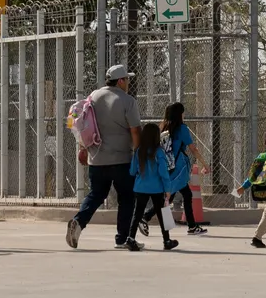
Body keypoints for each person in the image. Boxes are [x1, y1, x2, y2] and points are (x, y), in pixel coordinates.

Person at [66, 64, 142, 250]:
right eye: (127, 79)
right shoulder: (127, 100)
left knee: (96, 194)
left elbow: (82, 123)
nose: (128, 83)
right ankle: (122, 238)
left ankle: (78, 221)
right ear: (121, 81)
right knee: (126, 197)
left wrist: (82, 148)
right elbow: (135, 130)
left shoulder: (93, 96)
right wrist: (139, 154)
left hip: (96, 159)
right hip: (121, 159)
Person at [138, 102, 209, 237]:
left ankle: (192, 226)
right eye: (183, 112)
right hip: (178, 168)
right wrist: (205, 164)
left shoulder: (163, 127)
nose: (184, 115)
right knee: (174, 196)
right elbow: (193, 148)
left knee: (180, 195)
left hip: (167, 166)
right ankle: (145, 217)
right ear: (179, 114)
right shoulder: (182, 129)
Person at [126, 123, 179, 251]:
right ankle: (166, 240)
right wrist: (168, 189)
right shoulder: (159, 152)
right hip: (157, 188)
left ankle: (130, 238)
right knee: (162, 214)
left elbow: (132, 171)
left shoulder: (138, 151)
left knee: (137, 214)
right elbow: (163, 173)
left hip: (140, 187)